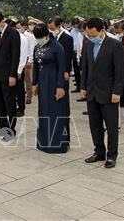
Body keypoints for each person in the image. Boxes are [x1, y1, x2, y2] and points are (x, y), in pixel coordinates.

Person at [81, 18, 124, 167]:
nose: (90, 38)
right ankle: (99, 151)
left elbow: (120, 71)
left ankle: (111, 155)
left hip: (109, 92)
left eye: (93, 35)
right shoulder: (87, 44)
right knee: (95, 125)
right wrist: (83, 87)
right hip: (92, 92)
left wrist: (117, 91)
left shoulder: (115, 45)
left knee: (111, 127)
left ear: (102, 31)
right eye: (88, 35)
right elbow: (85, 68)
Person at [31, 23, 69, 153]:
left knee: (55, 112)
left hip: (54, 82)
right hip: (42, 83)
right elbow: (35, 66)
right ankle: (44, 142)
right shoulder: (37, 47)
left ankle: (57, 143)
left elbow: (61, 68)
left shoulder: (57, 47)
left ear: (47, 35)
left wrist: (60, 86)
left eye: (41, 37)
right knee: (44, 111)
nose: (39, 39)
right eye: (37, 37)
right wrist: (34, 84)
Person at [0, 11, 21, 141]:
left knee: (10, 103)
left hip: (8, 75)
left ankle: (11, 130)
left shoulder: (13, 33)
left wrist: (13, 74)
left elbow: (15, 55)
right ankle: (1, 127)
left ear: (1, 21)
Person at [19, 20, 36, 105]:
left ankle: (29, 96)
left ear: (24, 26)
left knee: (27, 79)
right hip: (19, 59)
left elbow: (32, 49)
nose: (18, 29)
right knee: (20, 79)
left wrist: (30, 61)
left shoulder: (29, 36)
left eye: (19, 27)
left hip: (26, 59)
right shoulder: (18, 35)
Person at [69, 17, 84, 93]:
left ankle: (82, 88)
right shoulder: (72, 31)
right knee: (76, 70)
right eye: (74, 25)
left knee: (82, 71)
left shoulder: (82, 31)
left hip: (82, 53)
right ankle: (78, 86)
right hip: (74, 52)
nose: (75, 26)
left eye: (76, 24)